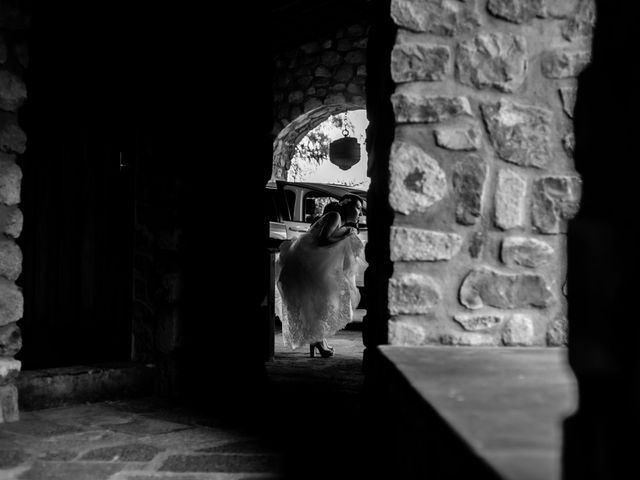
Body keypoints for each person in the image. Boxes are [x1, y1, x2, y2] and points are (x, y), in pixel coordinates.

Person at [275, 194, 367, 357]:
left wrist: (347, 232)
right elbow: (323, 240)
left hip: (312, 265)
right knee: (321, 301)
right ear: (347, 206)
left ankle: (319, 341)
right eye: (358, 208)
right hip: (306, 265)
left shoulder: (338, 219)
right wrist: (346, 232)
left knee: (323, 302)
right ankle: (318, 341)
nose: (359, 213)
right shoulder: (335, 216)